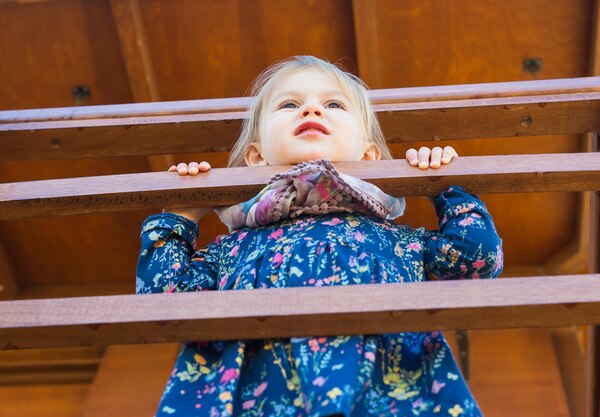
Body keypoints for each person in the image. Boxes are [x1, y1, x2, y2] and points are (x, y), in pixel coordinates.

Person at [137, 56, 503, 417]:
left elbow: (477, 259)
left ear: (370, 155)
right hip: (257, 399)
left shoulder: (399, 240)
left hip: (389, 397)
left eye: (333, 104)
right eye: (289, 104)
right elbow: (162, 297)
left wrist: (443, 185)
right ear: (256, 156)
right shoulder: (232, 249)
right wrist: (182, 213)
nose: (311, 110)